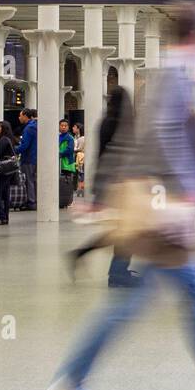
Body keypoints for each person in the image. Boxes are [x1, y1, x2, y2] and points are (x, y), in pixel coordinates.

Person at [46, 3, 195, 390]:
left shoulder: (169, 73)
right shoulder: (176, 74)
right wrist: (185, 194)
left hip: (159, 209)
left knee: (170, 300)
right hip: (164, 213)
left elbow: (132, 139)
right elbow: (161, 137)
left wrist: (104, 192)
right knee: (181, 301)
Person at [69, 84, 139, 288]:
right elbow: (125, 155)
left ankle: (94, 259)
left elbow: (101, 154)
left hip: (107, 182)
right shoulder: (121, 124)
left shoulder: (105, 122)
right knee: (129, 230)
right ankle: (117, 273)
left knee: (123, 229)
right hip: (121, 183)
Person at [0, 120, 16, 225]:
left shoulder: (3, 140)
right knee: (5, 193)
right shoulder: (9, 139)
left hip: (2, 170)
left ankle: (0, 216)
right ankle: (5, 216)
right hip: (9, 170)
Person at [58, 118, 78, 197]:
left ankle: (68, 198)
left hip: (67, 164)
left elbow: (70, 149)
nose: (63, 127)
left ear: (68, 127)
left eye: (65, 126)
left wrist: (60, 154)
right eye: (62, 125)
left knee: (67, 182)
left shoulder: (70, 138)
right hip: (59, 163)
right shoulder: (57, 137)